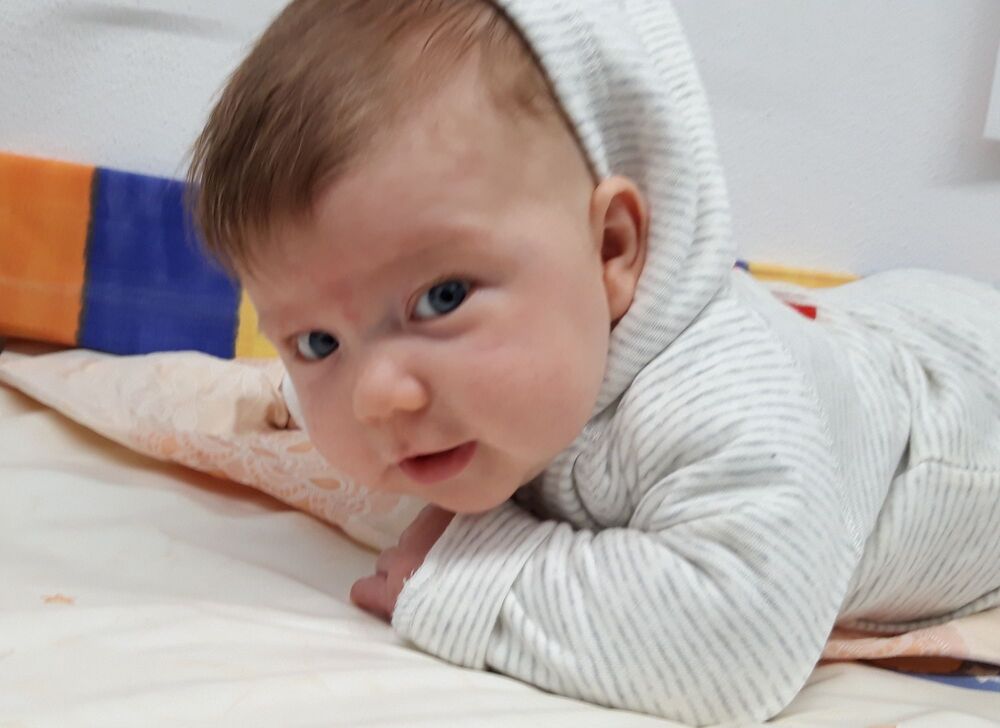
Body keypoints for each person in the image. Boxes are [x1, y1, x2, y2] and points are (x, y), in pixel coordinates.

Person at [188, 1, 1000, 723]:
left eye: (441, 298)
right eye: (318, 343)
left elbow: (740, 636)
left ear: (611, 248)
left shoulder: (722, 400)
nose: (378, 398)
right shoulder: (518, 376)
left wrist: (467, 577)